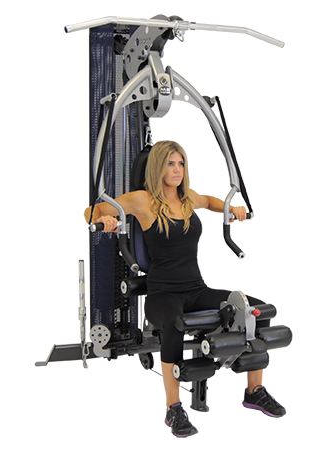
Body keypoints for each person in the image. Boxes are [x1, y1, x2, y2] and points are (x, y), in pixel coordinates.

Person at [84, 140, 286, 438]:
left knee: (254, 309)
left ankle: (254, 391)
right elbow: (90, 211)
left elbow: (208, 200)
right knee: (174, 324)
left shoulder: (187, 197)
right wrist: (104, 218)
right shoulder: (142, 200)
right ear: (158, 167)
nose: (177, 169)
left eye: (180, 163)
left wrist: (231, 208)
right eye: (170, 164)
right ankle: (173, 408)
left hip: (196, 289)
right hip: (162, 295)